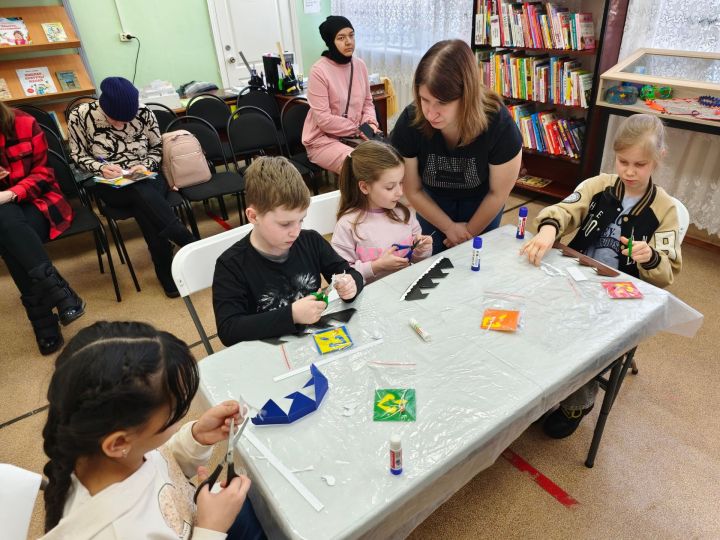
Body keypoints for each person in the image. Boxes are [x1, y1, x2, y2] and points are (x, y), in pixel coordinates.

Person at [520, 114, 682, 438]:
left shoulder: (665, 210)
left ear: (657, 160)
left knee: (592, 340)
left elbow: (668, 271)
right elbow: (564, 210)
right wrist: (550, 229)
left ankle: (577, 402)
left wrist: (650, 257)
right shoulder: (599, 186)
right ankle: (541, 382)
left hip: (619, 297)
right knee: (534, 308)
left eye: (640, 164)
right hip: (575, 276)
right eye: (623, 161)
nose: (629, 171)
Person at [41, 320, 265, 539]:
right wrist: (211, 529)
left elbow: (163, 462)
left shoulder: (114, 449)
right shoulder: (117, 532)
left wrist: (196, 438)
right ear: (118, 443)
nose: (181, 419)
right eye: (174, 414)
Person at [390, 39, 523, 254]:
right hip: (431, 204)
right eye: (424, 100)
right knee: (431, 263)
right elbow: (412, 190)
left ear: (467, 96)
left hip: (482, 205)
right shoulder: (411, 120)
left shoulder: (498, 123)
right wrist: (449, 227)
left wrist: (467, 233)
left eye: (442, 103)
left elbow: (498, 193)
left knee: (477, 262)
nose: (430, 113)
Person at [67, 76, 196, 297]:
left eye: (127, 120)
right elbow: (77, 156)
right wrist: (100, 168)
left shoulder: (144, 112)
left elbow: (157, 148)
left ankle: (165, 265)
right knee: (140, 193)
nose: (121, 125)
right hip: (109, 183)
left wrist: (143, 165)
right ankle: (185, 239)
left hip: (146, 175)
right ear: (103, 105)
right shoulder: (80, 116)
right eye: (115, 120)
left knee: (143, 199)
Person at [213, 156, 363, 345]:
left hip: (312, 343)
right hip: (266, 354)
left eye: (301, 220)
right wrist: (291, 315)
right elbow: (229, 330)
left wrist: (351, 284)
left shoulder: (311, 241)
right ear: (253, 216)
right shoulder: (231, 265)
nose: (295, 231)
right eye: (285, 224)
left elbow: (348, 272)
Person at [0, 100, 84, 355]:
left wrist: (13, 192)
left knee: (9, 235)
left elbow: (45, 174)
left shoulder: (23, 123)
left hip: (39, 202)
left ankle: (44, 324)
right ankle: (60, 292)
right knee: (8, 227)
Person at [331, 140, 432, 284]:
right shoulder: (348, 225)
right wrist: (376, 266)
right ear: (364, 187)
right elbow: (340, 276)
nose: (400, 192)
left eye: (401, 183)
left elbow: (416, 259)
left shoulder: (404, 214)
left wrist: (422, 250)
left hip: (406, 290)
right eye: (390, 187)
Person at [302, 15, 381, 174]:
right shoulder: (319, 71)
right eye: (341, 37)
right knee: (361, 167)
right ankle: (352, 199)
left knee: (386, 158)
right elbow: (324, 120)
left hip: (354, 135)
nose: (348, 42)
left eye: (351, 35)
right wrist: (358, 129)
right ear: (331, 41)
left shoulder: (359, 65)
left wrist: (370, 124)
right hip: (323, 140)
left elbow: (367, 103)